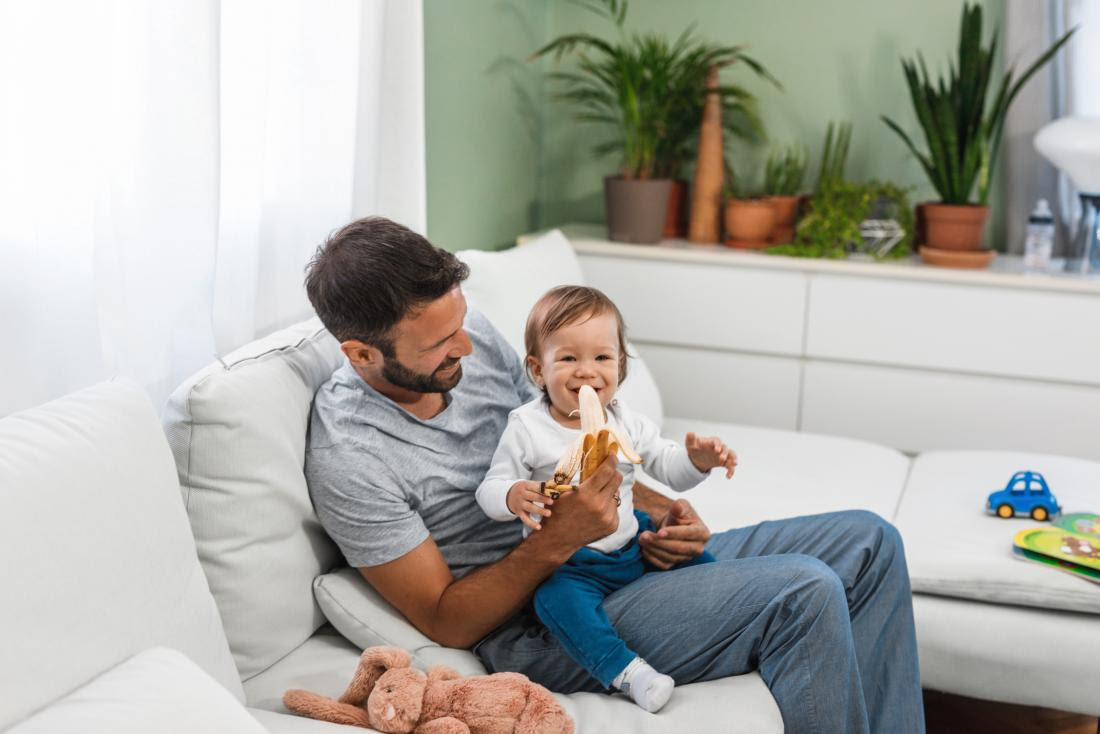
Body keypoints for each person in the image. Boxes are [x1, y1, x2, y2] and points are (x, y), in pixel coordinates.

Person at [304, 216, 925, 732]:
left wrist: (659, 509)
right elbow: (445, 620)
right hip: (549, 620)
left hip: (623, 557)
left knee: (869, 540)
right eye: (441, 343)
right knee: (805, 588)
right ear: (361, 353)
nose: (466, 347)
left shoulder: (473, 341)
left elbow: (576, 436)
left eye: (461, 325)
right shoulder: (351, 456)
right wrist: (559, 537)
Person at [475, 285, 737, 712]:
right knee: (552, 600)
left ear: (621, 366)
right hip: (572, 565)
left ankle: (731, 609)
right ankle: (630, 674)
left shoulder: (624, 419)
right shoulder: (526, 427)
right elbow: (489, 487)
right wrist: (512, 494)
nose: (586, 372)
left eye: (601, 358)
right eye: (568, 359)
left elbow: (668, 467)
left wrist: (697, 460)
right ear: (538, 371)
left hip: (634, 545)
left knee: (696, 560)